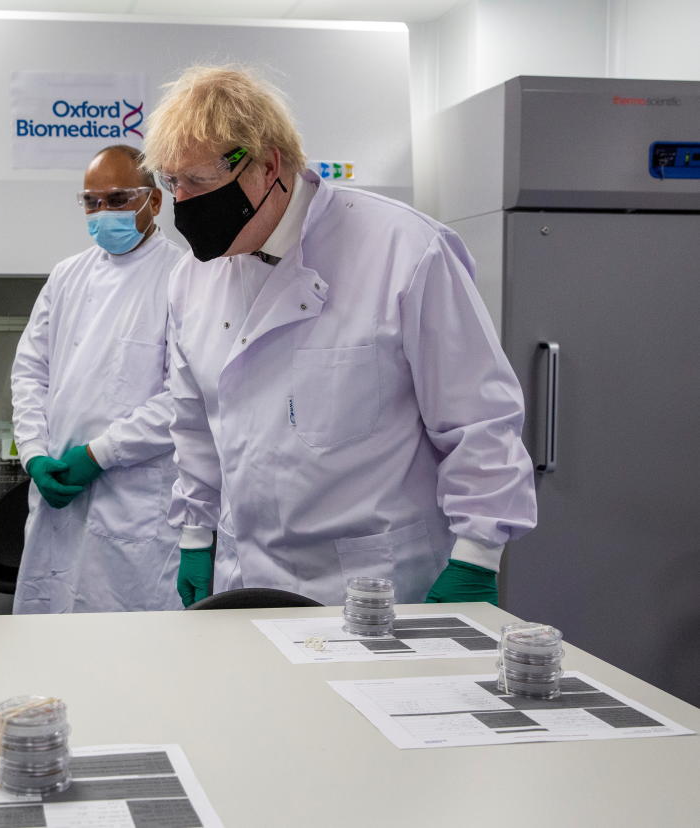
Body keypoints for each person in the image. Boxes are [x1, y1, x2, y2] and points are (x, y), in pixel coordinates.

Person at [141, 66, 536, 607]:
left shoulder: (404, 249)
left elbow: (478, 419)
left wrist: (477, 554)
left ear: (268, 166)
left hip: (376, 583)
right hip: (247, 572)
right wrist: (195, 533)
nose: (182, 203)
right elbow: (194, 422)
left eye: (199, 183)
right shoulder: (194, 276)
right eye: (171, 183)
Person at [10, 144, 184, 613]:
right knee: (51, 639)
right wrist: (33, 454)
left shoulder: (185, 277)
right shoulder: (67, 277)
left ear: (154, 201)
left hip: (134, 505)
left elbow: (184, 398)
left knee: (131, 649)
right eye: (92, 201)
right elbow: (29, 372)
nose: (102, 212)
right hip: (58, 501)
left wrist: (99, 454)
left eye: (118, 199)